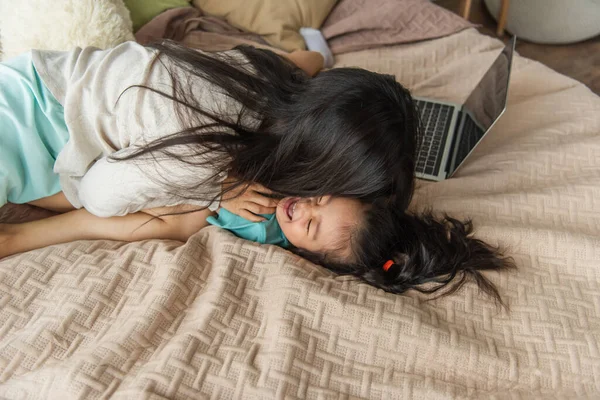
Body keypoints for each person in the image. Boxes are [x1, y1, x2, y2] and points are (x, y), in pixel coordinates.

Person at [0, 40, 513, 303]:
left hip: (51, 83)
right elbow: (98, 195)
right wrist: (213, 190)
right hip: (37, 125)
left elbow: (309, 55)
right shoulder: (208, 156)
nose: (307, 203)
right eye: (323, 190)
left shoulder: (270, 80)